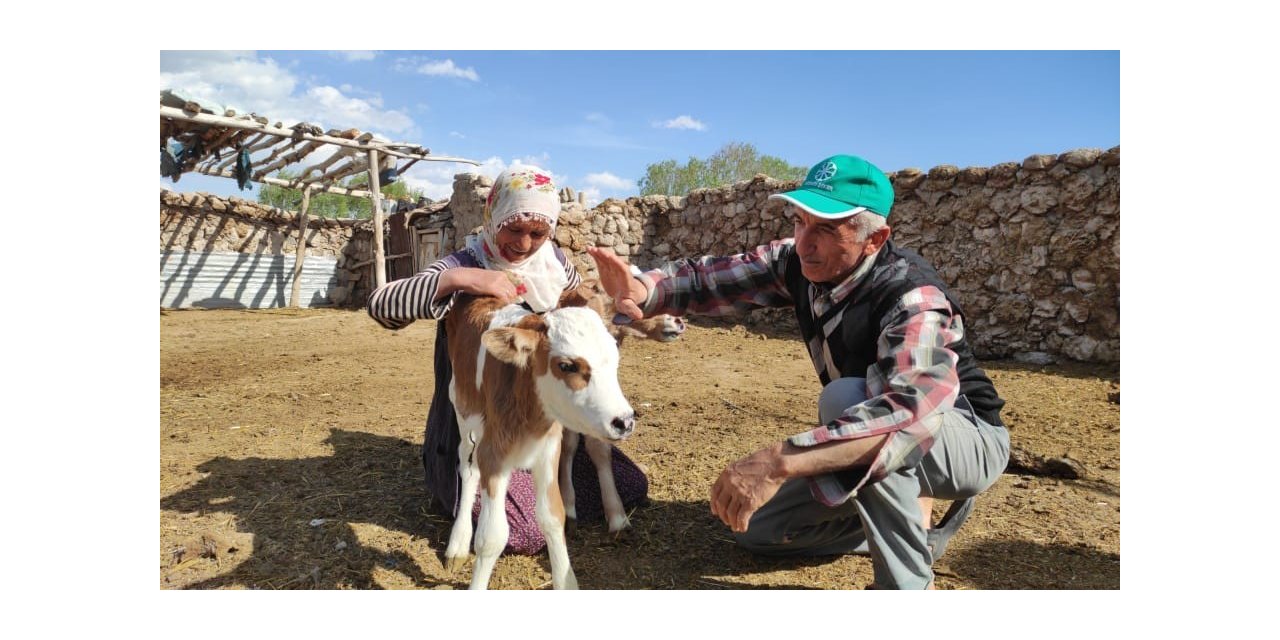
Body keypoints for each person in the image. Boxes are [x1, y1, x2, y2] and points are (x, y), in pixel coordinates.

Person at [589, 154, 1010, 589]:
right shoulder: (798, 262)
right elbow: (712, 278)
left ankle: (903, 588)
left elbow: (908, 415)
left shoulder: (912, 298)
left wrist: (778, 461)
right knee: (760, 530)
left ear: (875, 238)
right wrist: (643, 288)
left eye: (827, 229)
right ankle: (906, 531)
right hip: (886, 423)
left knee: (847, 400)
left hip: (963, 437)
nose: (805, 242)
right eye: (800, 221)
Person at [368, 165, 648, 555]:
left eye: (538, 232)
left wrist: (609, 302)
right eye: (513, 229)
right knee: (523, 530)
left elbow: (574, 310)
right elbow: (382, 306)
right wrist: (463, 280)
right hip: (480, 420)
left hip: (537, 416)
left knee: (631, 485)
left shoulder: (553, 263)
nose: (524, 243)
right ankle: (459, 486)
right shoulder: (465, 262)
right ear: (492, 216)